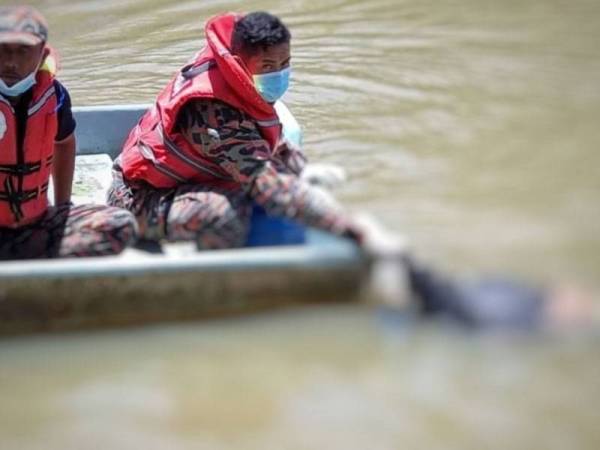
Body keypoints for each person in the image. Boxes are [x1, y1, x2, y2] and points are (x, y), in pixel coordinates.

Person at [108, 11, 362, 249]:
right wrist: (353, 230)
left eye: (285, 63)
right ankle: (212, 283)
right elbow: (270, 189)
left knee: (291, 182)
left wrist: (301, 170)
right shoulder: (214, 115)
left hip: (186, 179)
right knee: (225, 216)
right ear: (240, 64)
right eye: (268, 67)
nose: (280, 73)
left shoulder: (233, 74)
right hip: (139, 200)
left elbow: (267, 141)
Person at [0, 6, 137, 259]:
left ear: (42, 53)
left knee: (119, 225)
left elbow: (63, 143)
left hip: (36, 218)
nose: (11, 62)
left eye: (22, 51)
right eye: (3, 50)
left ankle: (20, 256)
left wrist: (62, 207)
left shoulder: (55, 96)